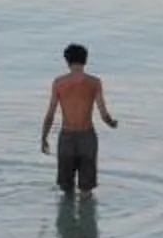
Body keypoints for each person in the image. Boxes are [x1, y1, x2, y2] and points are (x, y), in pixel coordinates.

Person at [40, 43, 119, 195]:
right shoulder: (94, 82)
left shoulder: (59, 83)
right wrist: (112, 123)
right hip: (87, 137)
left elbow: (50, 113)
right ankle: (86, 217)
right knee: (86, 191)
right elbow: (103, 113)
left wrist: (44, 137)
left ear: (67, 61)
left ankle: (67, 217)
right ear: (85, 61)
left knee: (66, 190)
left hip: (67, 137)